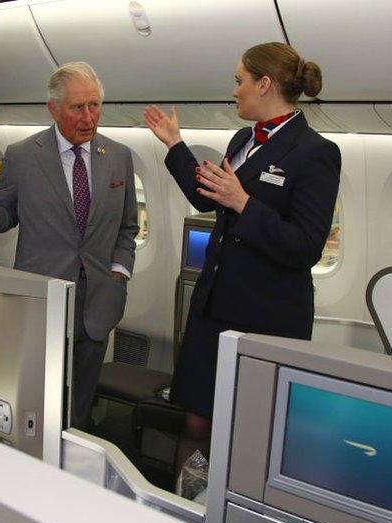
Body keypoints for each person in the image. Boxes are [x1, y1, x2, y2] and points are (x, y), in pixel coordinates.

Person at [143, 42, 341, 467]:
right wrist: (176, 147)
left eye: (240, 81)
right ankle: (186, 510)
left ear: (264, 83)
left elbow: (305, 245)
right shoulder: (242, 138)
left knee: (249, 431)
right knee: (195, 423)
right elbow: (210, 199)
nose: (234, 91)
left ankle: (232, 522)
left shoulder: (316, 153)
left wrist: (245, 203)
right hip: (215, 307)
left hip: (264, 316)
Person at [0, 62, 139, 430]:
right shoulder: (22, 155)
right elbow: (4, 206)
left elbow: (128, 226)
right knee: (39, 404)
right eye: (77, 107)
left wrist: (119, 271)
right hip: (42, 296)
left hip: (98, 299)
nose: (88, 117)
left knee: (81, 407)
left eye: (94, 105)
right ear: (53, 109)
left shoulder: (118, 157)